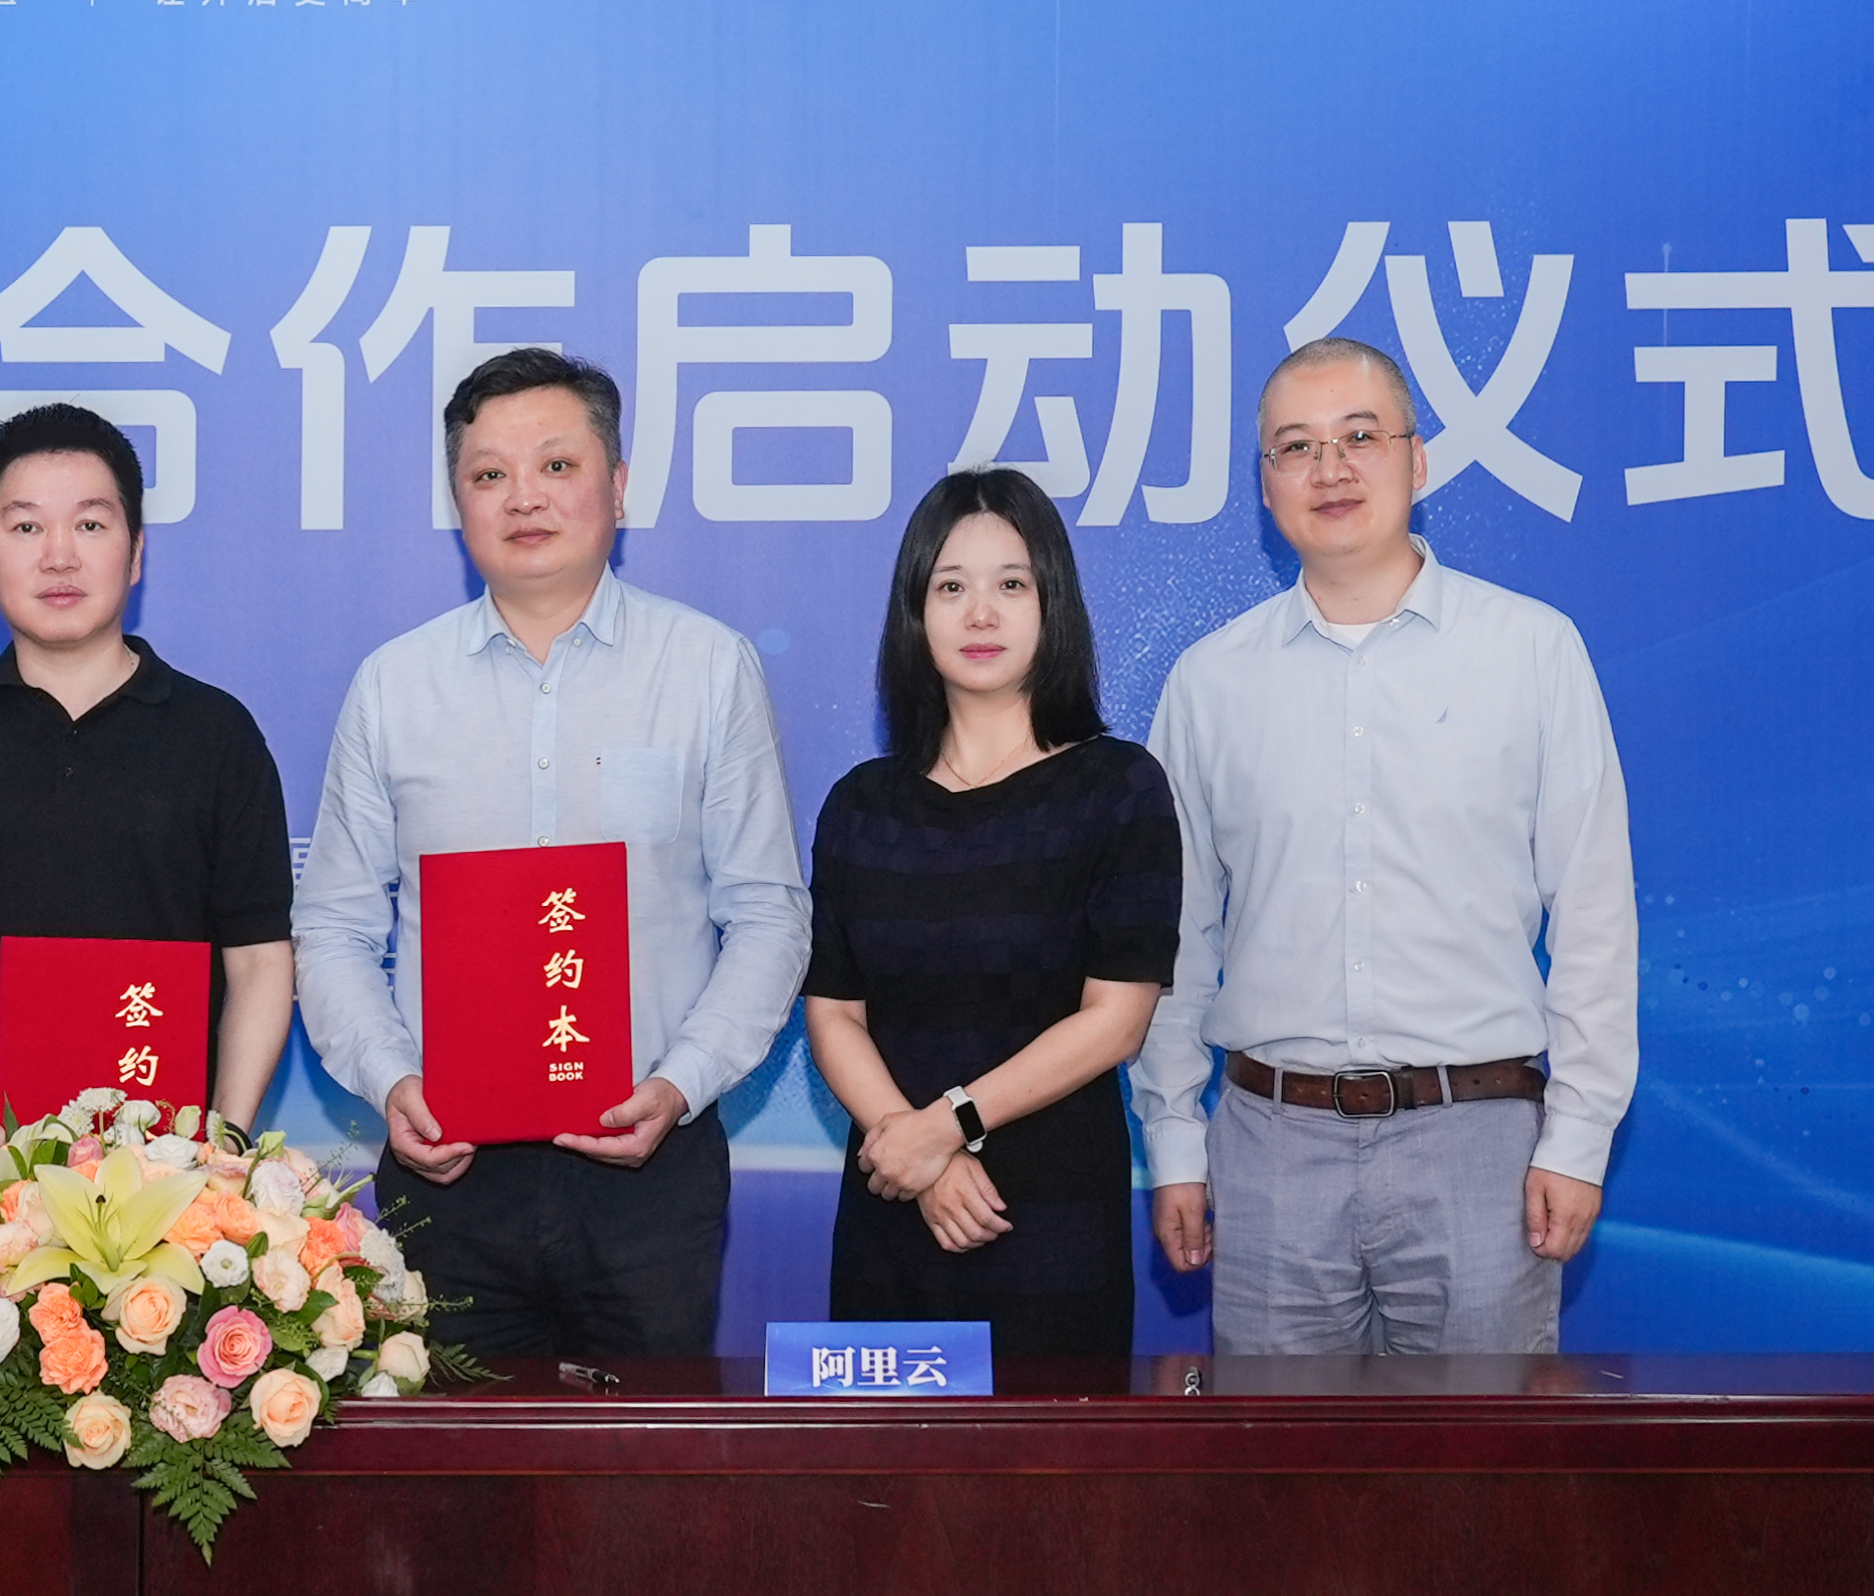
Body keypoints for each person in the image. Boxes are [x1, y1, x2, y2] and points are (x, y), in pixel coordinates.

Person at [293, 347, 810, 1359]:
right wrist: (393, 1081)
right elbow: (335, 925)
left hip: (649, 1170)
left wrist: (682, 1081)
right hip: (449, 1171)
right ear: (457, 500)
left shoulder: (708, 668)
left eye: (557, 465)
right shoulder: (394, 686)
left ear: (618, 485)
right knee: (451, 1455)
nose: (523, 497)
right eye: (489, 473)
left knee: (643, 1452)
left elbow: (767, 912)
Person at [1137, 338, 1637, 1354]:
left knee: (1479, 1457)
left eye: (1360, 436)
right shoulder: (1209, 683)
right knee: (1275, 1456)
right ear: (1265, 485)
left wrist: (1580, 1135)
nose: (1330, 468)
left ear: (1419, 459)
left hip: (1481, 1144)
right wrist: (1174, 1137)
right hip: (1269, 1148)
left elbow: (1594, 913)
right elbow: (1175, 935)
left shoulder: (1532, 651)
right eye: (1296, 446)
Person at [0, 404, 295, 1172]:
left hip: (176, 1184)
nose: (58, 556)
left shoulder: (217, 736)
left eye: (89, 524)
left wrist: (227, 1138)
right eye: (25, 527)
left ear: (135, 553)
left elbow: (260, 961)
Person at [802, 469, 1181, 1356]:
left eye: (1011, 584)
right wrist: (914, 1152)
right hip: (893, 1203)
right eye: (950, 587)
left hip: (1049, 1217)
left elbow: (1117, 1020)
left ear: (1053, 604)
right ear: (915, 611)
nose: (980, 614)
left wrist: (946, 1128)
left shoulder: (1117, 788)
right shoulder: (861, 804)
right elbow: (834, 1013)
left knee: (1053, 1446)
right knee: (883, 1447)